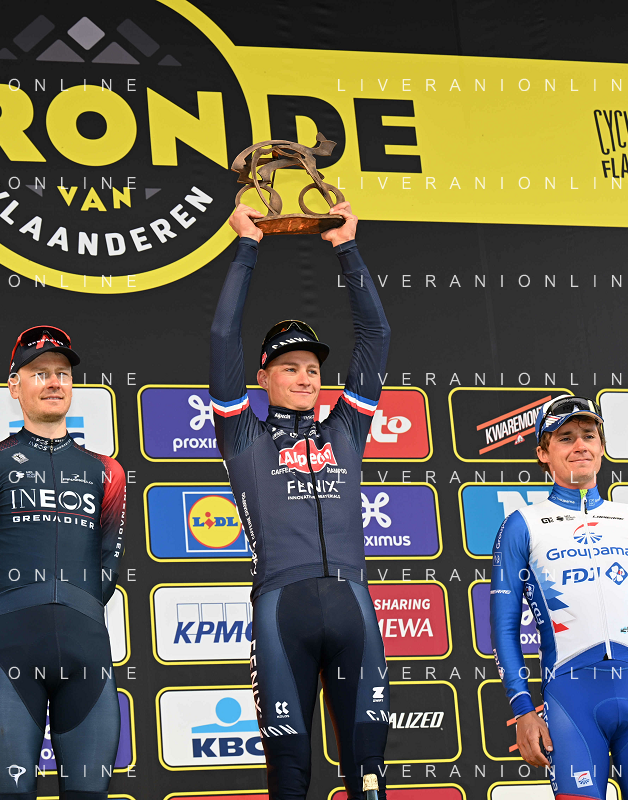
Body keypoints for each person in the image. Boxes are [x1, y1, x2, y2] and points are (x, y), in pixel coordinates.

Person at [210, 202, 391, 800]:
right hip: (281, 608)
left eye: (313, 368)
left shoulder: (346, 429)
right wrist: (247, 246)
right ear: (263, 377)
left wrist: (347, 248)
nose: (307, 377)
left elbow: (376, 337)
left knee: (369, 775)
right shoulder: (244, 436)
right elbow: (223, 337)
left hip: (352, 605)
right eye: (290, 367)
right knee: (289, 778)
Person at [490, 395, 628, 800]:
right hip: (571, 699)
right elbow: (503, 627)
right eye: (566, 437)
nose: (580, 445)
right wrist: (522, 709)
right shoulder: (522, 525)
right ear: (543, 454)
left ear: (602, 447)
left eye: (589, 435)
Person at [0, 325, 126, 800]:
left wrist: (75, 614)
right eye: (40, 372)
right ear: (15, 386)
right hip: (9, 655)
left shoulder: (107, 471)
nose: (54, 382)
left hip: (88, 655)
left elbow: (108, 568)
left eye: (62, 373)